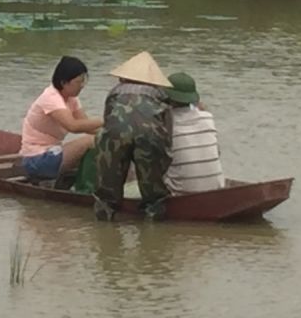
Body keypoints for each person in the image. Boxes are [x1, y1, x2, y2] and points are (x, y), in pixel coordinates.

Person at [93, 51, 173, 221]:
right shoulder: (161, 96)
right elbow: (167, 132)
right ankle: (154, 226)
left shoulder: (115, 93)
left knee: (107, 193)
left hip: (115, 136)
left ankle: (105, 225)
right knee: (154, 195)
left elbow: (107, 122)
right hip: (150, 136)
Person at [20, 56, 103, 181]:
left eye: (83, 81)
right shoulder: (51, 97)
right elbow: (73, 126)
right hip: (36, 159)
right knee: (90, 141)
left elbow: (87, 126)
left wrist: (112, 132)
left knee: (100, 138)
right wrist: (106, 119)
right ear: (64, 82)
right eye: (79, 82)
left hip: (53, 153)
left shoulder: (71, 98)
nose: (82, 86)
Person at [162, 72, 225, 195]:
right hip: (217, 189)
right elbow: (217, 153)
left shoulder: (164, 125)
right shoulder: (208, 118)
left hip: (180, 192)